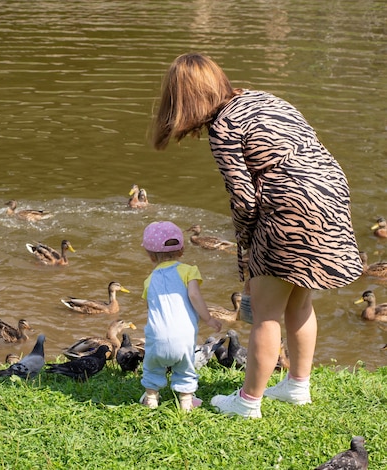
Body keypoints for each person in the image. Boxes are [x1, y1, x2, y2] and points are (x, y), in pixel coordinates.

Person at [151, 53, 363, 418]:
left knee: (265, 313)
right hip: (330, 191)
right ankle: (297, 386)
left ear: (184, 98)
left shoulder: (223, 126)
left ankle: (247, 402)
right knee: (299, 300)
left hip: (290, 205)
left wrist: (247, 261)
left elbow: (245, 200)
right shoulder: (263, 98)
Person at [139, 221, 222, 411]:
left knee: (152, 369)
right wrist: (208, 318)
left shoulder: (149, 281)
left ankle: (151, 398)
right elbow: (194, 295)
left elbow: (150, 308)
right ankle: (186, 402)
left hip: (156, 336)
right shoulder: (188, 271)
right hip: (183, 337)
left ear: (150, 256)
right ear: (182, 250)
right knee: (185, 370)